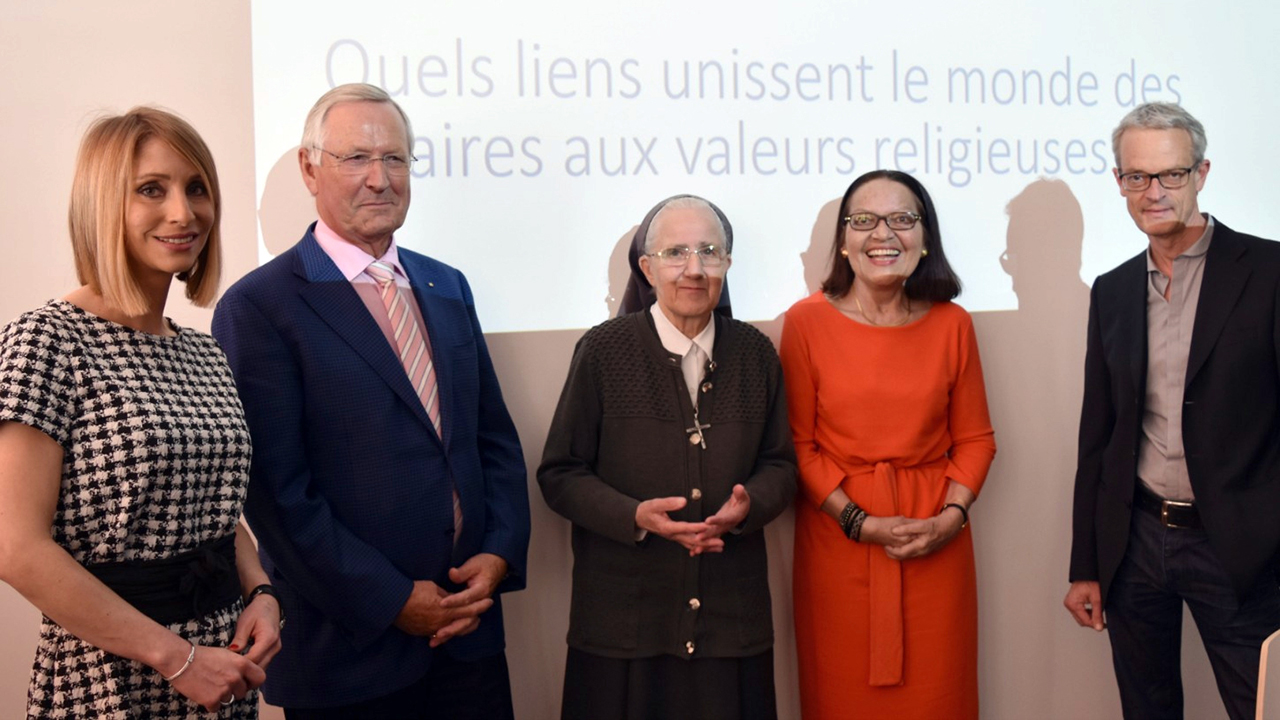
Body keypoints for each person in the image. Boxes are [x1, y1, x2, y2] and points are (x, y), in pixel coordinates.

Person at [211, 83, 530, 719]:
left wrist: (498, 551)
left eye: (396, 159)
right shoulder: (260, 307)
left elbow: (490, 438)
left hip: (469, 642)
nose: (380, 179)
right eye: (355, 158)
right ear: (310, 167)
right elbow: (277, 496)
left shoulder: (447, 285)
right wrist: (390, 599)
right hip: (351, 657)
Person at [0, 107, 281, 717]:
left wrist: (259, 592)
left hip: (222, 672)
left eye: (197, 187)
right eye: (152, 189)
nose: (184, 212)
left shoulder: (203, 352)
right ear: (103, 203)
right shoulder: (46, 340)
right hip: (109, 679)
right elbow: (15, 546)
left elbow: (209, 508)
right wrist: (176, 658)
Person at [538, 195, 797, 720]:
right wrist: (633, 516)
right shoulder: (603, 351)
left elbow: (782, 465)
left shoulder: (756, 354)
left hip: (731, 620)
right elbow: (560, 474)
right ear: (647, 267)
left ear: (727, 264)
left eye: (709, 252)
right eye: (676, 252)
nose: (694, 269)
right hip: (623, 621)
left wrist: (750, 507)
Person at [1064, 102, 1280, 720]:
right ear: (1119, 182)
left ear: (1202, 173)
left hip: (1241, 547)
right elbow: (1097, 436)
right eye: (1137, 177)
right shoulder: (1111, 289)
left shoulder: (1268, 272)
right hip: (1135, 545)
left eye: (1170, 175)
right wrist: (1087, 563)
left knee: (1262, 706)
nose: (1152, 192)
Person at [781, 170, 996, 719]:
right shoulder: (805, 322)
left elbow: (975, 440)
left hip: (935, 549)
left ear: (925, 239)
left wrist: (949, 520)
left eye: (903, 219)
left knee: (938, 699)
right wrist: (857, 521)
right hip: (838, 549)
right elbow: (798, 447)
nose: (884, 234)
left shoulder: (954, 324)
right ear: (844, 242)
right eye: (864, 221)